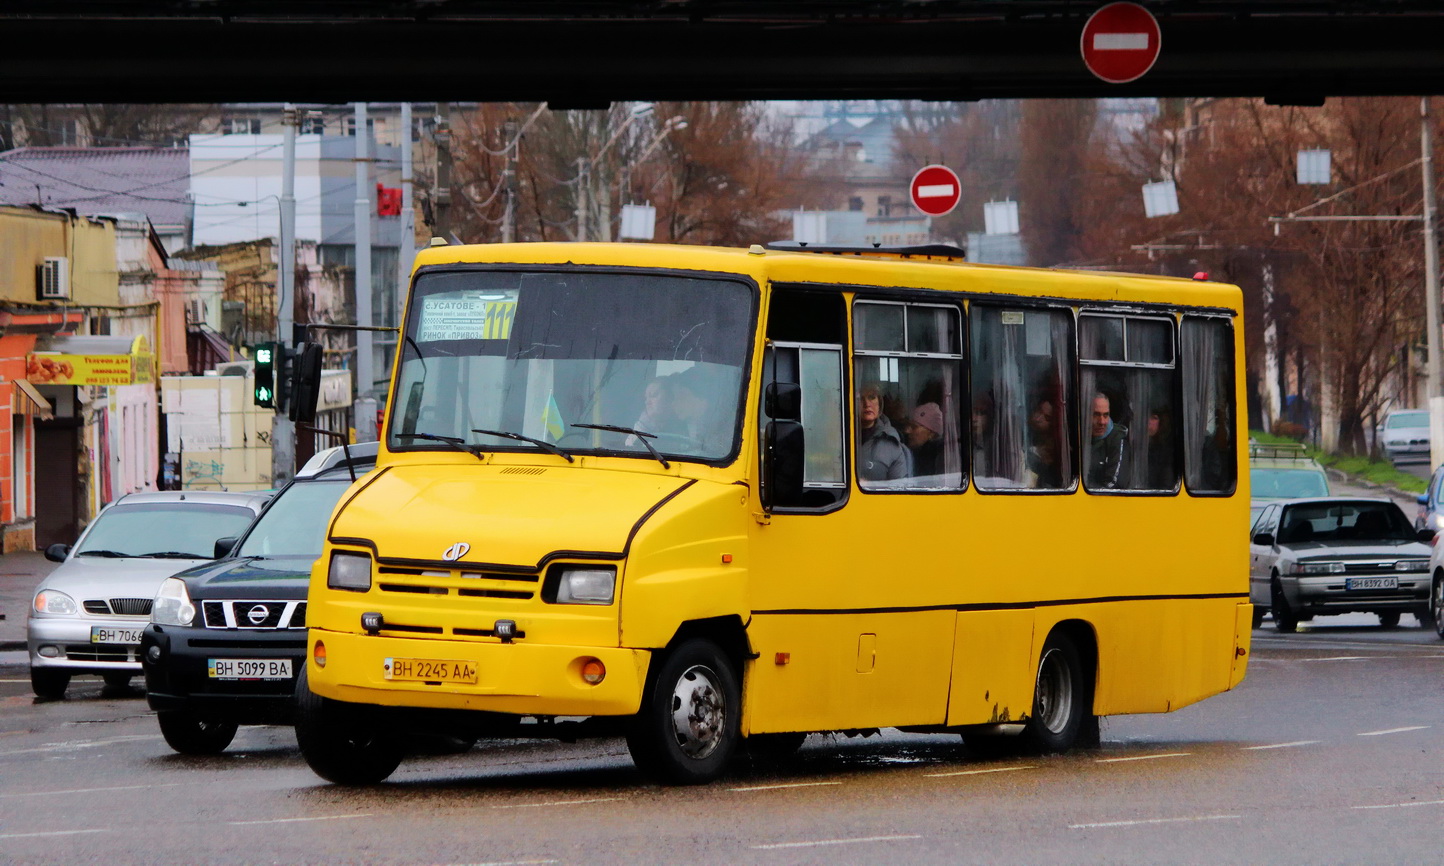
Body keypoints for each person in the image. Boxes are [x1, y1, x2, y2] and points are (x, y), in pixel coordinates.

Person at [857, 382, 910, 482]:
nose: (867, 404)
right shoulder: (837, 435)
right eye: (860, 398)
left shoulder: (891, 441)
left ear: (879, 403)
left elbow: (899, 488)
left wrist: (870, 487)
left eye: (872, 397)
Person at [1086, 392, 1128, 489]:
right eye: (1096, 415)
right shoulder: (1077, 437)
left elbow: (1116, 484)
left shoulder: (1117, 439)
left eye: (1106, 415)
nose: (1102, 422)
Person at [626, 376, 681, 445]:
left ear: (669, 398)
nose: (647, 402)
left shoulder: (684, 426)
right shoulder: (636, 434)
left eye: (653, 395)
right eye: (646, 398)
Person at [1026, 396, 1063, 488]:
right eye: (1038, 411)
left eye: (1047, 418)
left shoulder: (1054, 448)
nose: (1038, 419)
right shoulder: (1017, 432)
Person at [905, 402, 945, 477]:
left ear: (931, 434)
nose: (907, 431)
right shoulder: (908, 452)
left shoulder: (941, 459)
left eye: (914, 427)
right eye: (908, 425)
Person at [1146, 409, 1175, 489]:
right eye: (1146, 417)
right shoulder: (1131, 446)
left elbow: (1166, 484)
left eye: (1153, 418)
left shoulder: (1166, 453)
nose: (1148, 422)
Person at [971, 393, 994, 477]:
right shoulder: (958, 446)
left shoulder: (997, 448)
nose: (974, 419)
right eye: (971, 412)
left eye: (980, 413)